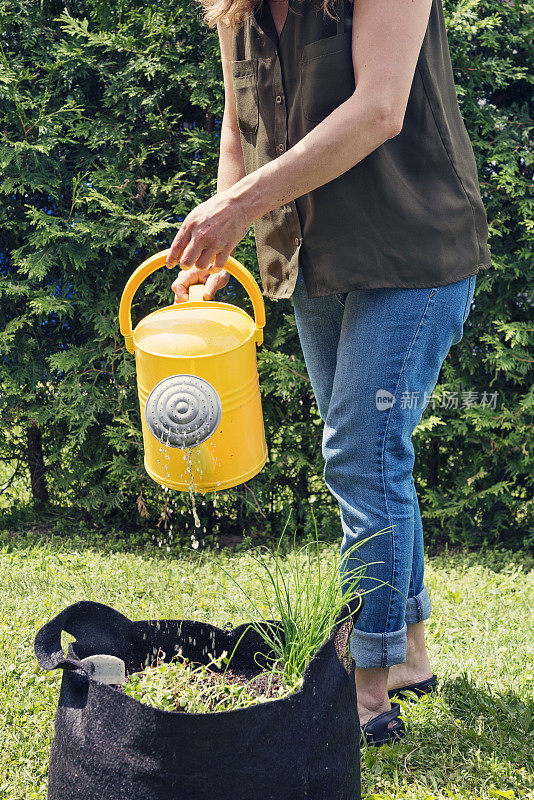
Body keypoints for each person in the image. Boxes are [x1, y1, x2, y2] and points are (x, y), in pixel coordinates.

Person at [166, 0, 492, 746]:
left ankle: (363, 695)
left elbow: (380, 108)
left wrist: (240, 207)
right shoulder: (237, 10)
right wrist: (221, 234)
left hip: (416, 250)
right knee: (373, 458)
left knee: (362, 456)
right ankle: (407, 654)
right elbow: (236, 125)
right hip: (316, 257)